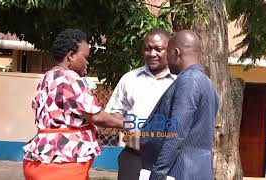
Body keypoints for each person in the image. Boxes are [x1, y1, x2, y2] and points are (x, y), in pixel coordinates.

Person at [23, 29, 123, 180]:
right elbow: (96, 117)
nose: (87, 62)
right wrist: (129, 123)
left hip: (40, 160)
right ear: (70, 56)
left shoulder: (47, 77)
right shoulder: (69, 78)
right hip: (62, 165)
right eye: (85, 57)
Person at [140, 30, 219, 180]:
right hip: (199, 171)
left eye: (168, 53)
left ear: (176, 53)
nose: (167, 59)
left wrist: (157, 174)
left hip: (180, 171)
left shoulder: (188, 80)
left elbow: (176, 133)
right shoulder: (207, 83)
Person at [105, 28, 176, 180]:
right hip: (133, 157)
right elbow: (113, 113)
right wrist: (130, 127)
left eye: (158, 49)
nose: (152, 54)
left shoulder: (179, 82)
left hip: (167, 162)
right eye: (148, 49)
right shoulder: (130, 79)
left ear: (169, 50)